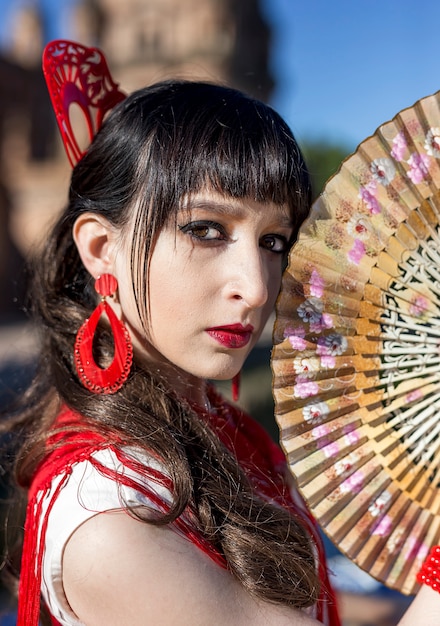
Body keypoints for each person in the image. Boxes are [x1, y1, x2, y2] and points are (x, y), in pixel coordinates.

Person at [1, 41, 438, 626]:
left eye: (273, 241)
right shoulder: (109, 521)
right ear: (102, 249)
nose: (256, 288)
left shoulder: (211, 430)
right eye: (206, 229)